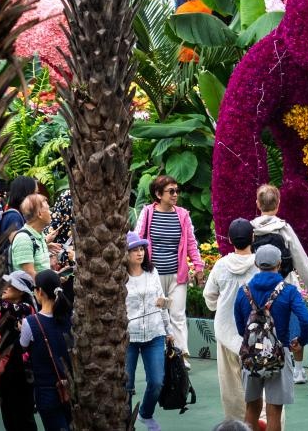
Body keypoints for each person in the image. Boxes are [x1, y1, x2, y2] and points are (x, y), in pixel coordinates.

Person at [234, 245, 308, 431]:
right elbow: (307, 320)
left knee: (251, 407)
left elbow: (239, 327)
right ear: (279, 264)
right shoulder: (288, 291)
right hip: (279, 353)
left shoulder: (243, 291)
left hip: (251, 354)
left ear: (256, 264)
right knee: (274, 411)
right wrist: (300, 341)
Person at [134, 175, 204, 365]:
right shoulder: (148, 213)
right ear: (158, 194)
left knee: (178, 315)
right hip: (153, 276)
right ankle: (159, 356)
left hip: (176, 276)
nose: (175, 195)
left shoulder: (182, 215)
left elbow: (191, 243)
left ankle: (180, 358)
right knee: (156, 315)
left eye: (177, 191)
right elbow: (137, 239)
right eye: (171, 191)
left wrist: (198, 266)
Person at [204, 219, 259, 420]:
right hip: (255, 336)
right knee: (259, 383)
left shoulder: (220, 265)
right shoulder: (260, 265)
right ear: (253, 237)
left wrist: (218, 307)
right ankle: (262, 422)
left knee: (231, 388)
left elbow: (209, 296)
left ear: (229, 239)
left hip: (226, 332)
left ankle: (237, 425)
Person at [123, 231, 168, 431]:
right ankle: (125, 422)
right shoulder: (119, 277)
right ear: (125, 254)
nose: (140, 253)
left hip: (155, 332)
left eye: (141, 249)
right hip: (129, 337)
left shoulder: (152, 272)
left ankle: (145, 414)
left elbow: (162, 300)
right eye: (134, 250)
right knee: (126, 385)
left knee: (157, 382)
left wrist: (168, 330)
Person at [19, 269, 73, 431]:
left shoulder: (30, 322)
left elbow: (23, 345)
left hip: (46, 390)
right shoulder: (69, 317)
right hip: (71, 387)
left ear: (40, 291)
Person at [0, 270, 37, 431]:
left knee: (21, 416)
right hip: (8, 370)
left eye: (10, 285)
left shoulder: (22, 309)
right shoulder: (6, 308)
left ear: (21, 291)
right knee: (11, 415)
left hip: (18, 371)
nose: (5, 287)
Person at [11, 193, 53, 279]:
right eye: (48, 209)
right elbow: (30, 276)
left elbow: (41, 269)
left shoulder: (39, 235)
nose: (51, 212)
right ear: (40, 214)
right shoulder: (24, 239)